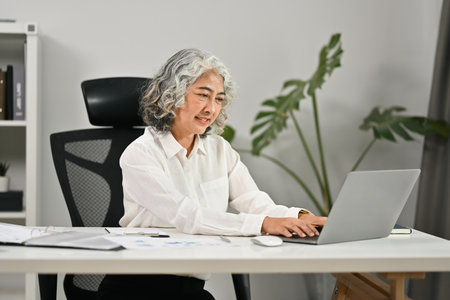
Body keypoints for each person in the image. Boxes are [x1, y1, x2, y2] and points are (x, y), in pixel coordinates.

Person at [98, 48, 327, 300]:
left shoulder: (220, 149)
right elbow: (186, 216)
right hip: (136, 288)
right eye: (203, 95)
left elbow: (254, 202)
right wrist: (263, 224)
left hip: (189, 290)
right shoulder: (140, 154)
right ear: (173, 95)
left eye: (218, 99)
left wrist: (302, 218)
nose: (211, 108)